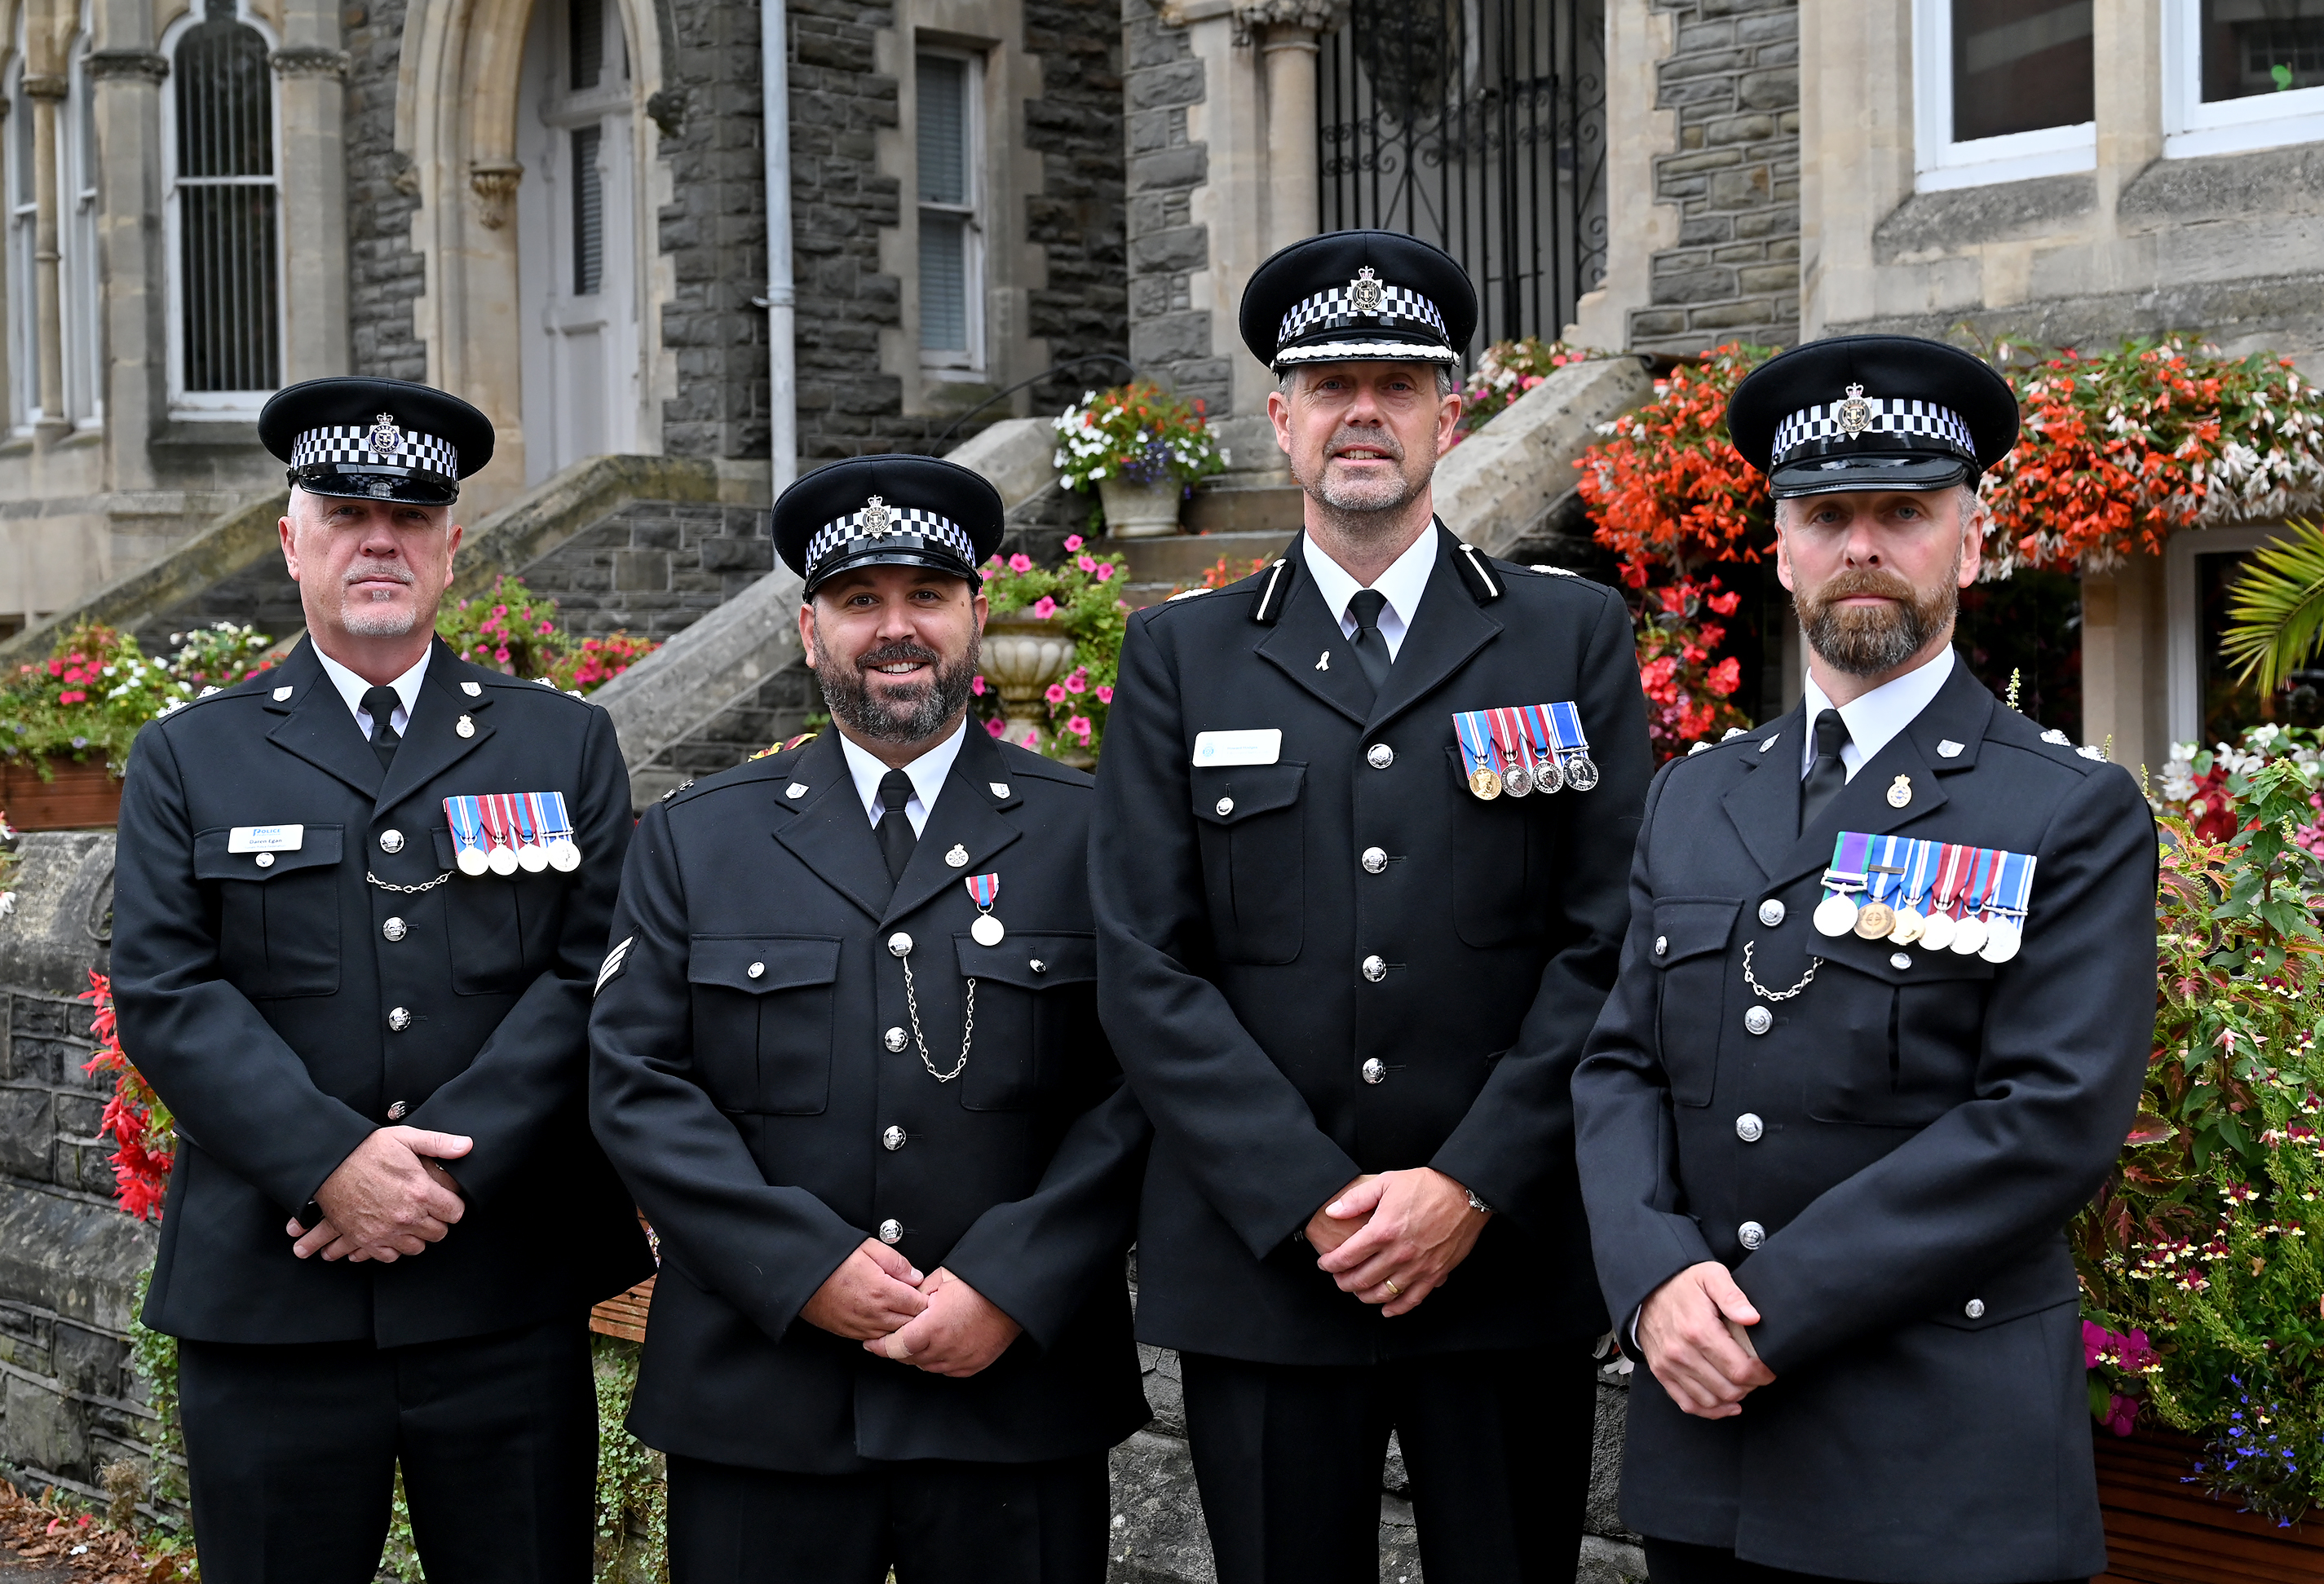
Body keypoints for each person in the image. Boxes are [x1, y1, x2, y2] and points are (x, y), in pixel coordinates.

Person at [1089, 229, 1653, 1584]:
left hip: (1499, 1264)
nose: (1362, 413)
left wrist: (1467, 1184)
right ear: (1279, 419)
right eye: (1328, 385)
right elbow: (1144, 960)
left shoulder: (1565, 637)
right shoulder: (1181, 655)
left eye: (1396, 385)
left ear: (1447, 415)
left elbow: (1608, 938)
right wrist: (1308, 1195)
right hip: (1266, 1271)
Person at [1571, 334, 2158, 1584]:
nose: (1861, 546)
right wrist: (1652, 1277)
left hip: (1937, 1458)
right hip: (1713, 1455)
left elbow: (2048, 1119)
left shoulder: (2064, 809)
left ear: (1969, 542)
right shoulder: (1692, 797)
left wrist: (1760, 1314)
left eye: (1903, 512)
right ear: (1781, 548)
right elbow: (1618, 1064)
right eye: (1827, 516)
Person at [110, 377, 653, 1583]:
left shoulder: (559, 741)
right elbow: (165, 989)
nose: (378, 541)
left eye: (409, 517)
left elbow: (597, 971)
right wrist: (333, 1166)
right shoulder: (191, 756)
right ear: (290, 540)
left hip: (500, 1285)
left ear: (451, 547)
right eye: (346, 513)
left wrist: (435, 1173)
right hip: (272, 1297)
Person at [588, 454, 1151, 1584]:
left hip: (1013, 1393)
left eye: (926, 595)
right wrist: (800, 1267)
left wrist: (1011, 1282)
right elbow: (635, 1083)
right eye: (859, 600)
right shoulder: (700, 837)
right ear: (810, 631)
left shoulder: (1093, 832)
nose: (897, 629)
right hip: (762, 1397)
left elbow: (1144, 1083)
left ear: (976, 615)